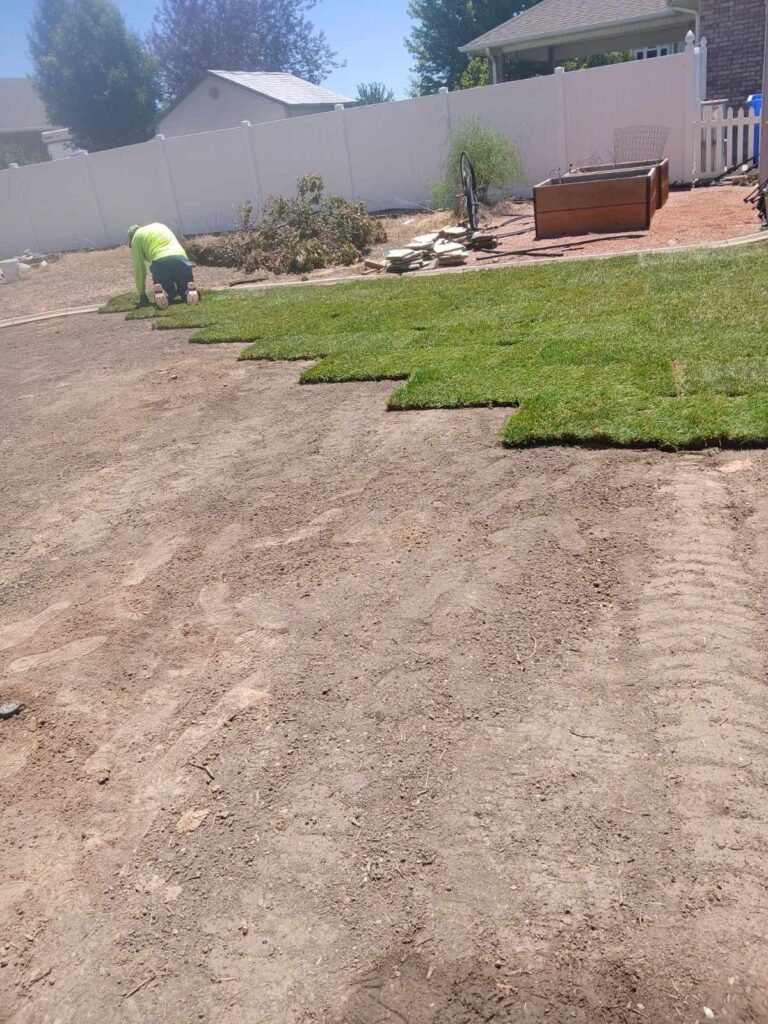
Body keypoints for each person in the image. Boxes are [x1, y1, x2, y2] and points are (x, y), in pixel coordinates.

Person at [127, 223, 199, 309]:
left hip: (160, 260)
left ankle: (164, 294)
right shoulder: (159, 225)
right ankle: (189, 291)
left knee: (168, 291)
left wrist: (142, 293)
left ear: (131, 237)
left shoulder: (136, 238)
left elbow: (139, 269)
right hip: (181, 257)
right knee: (185, 285)